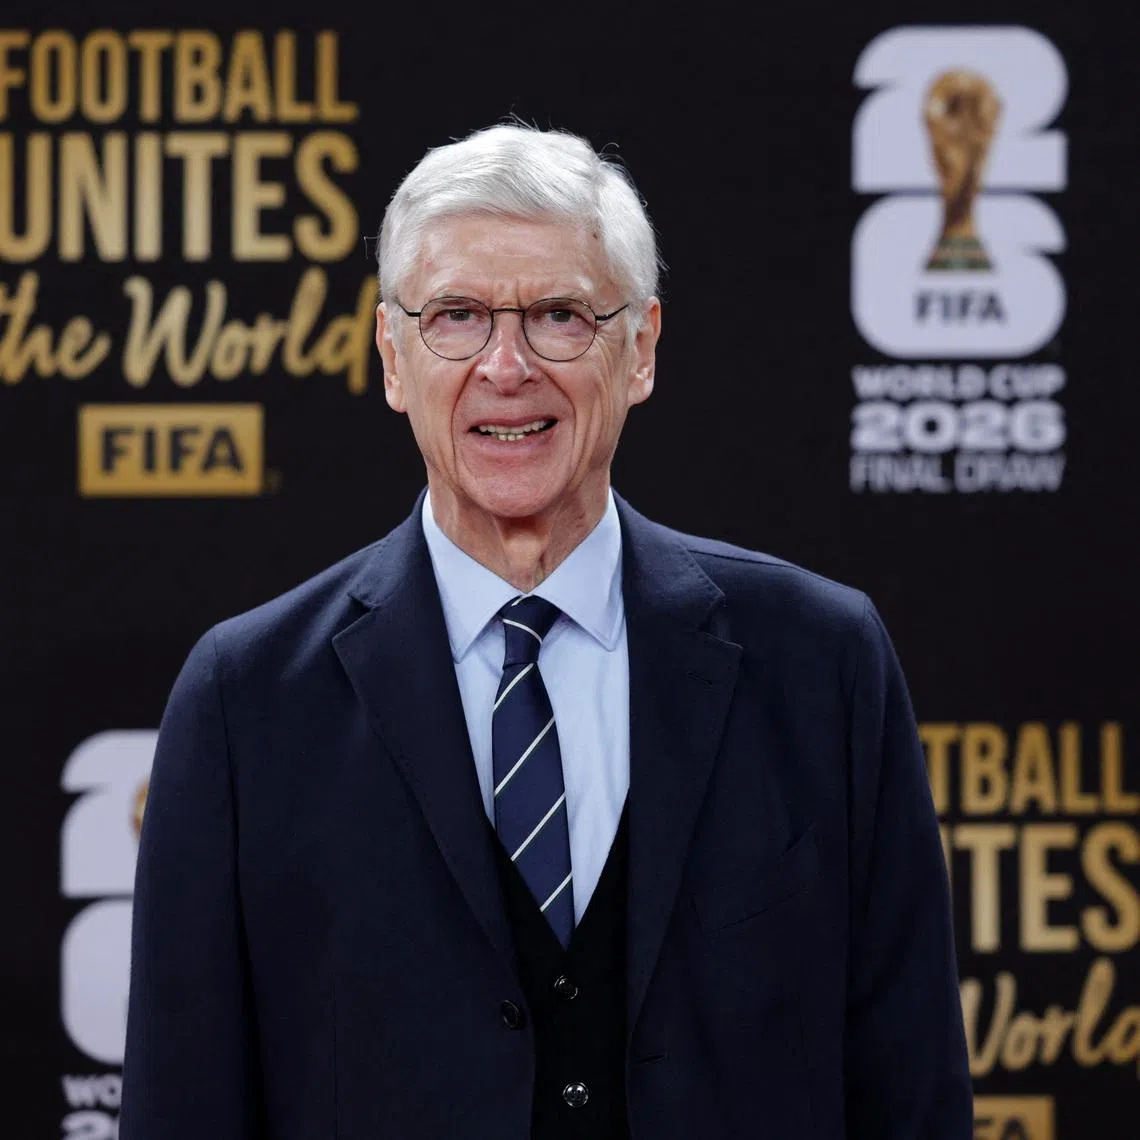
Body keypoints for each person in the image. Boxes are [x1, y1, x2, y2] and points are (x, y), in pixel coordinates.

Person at [120, 123, 972, 1139]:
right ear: (393, 356)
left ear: (641, 347)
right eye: (458, 316)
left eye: (561, 315)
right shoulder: (246, 705)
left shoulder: (822, 663)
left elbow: (912, 1094)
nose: (507, 365)